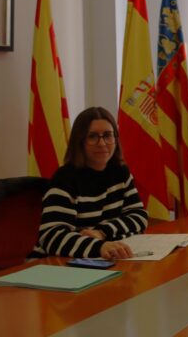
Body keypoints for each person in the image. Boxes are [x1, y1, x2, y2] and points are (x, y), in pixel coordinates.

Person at [30, 107, 148, 260]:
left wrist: (102, 232)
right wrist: (99, 247)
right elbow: (51, 236)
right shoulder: (65, 178)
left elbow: (139, 216)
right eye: (92, 136)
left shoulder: (121, 172)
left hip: (100, 260)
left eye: (108, 135)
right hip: (54, 264)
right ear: (79, 141)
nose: (102, 143)